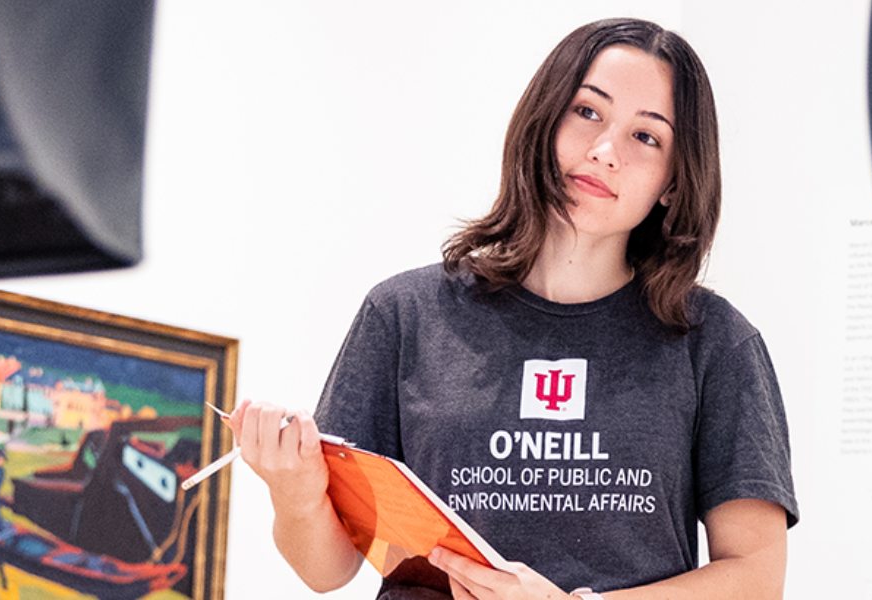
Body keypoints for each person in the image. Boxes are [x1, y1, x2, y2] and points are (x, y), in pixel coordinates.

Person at [230, 18, 797, 599]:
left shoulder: (715, 342)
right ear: (545, 118)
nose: (604, 152)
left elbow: (755, 578)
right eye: (587, 112)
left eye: (646, 137)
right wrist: (293, 492)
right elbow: (328, 570)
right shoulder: (404, 314)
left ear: (673, 182)